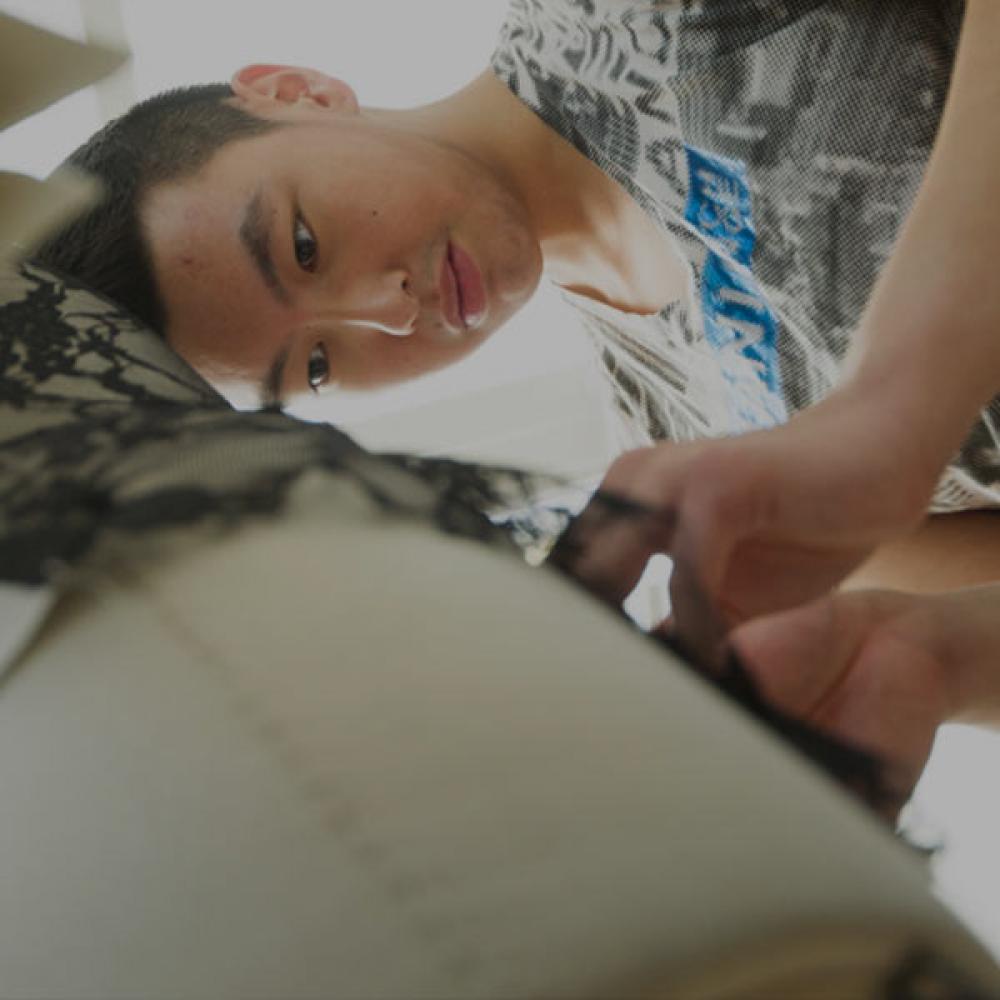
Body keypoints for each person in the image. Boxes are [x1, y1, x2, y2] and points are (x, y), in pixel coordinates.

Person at [33, 0, 1000, 779]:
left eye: (302, 245)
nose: (383, 313)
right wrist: (923, 653)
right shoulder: (683, 432)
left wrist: (894, 402)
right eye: (317, 365)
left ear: (297, 92)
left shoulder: (613, 18)